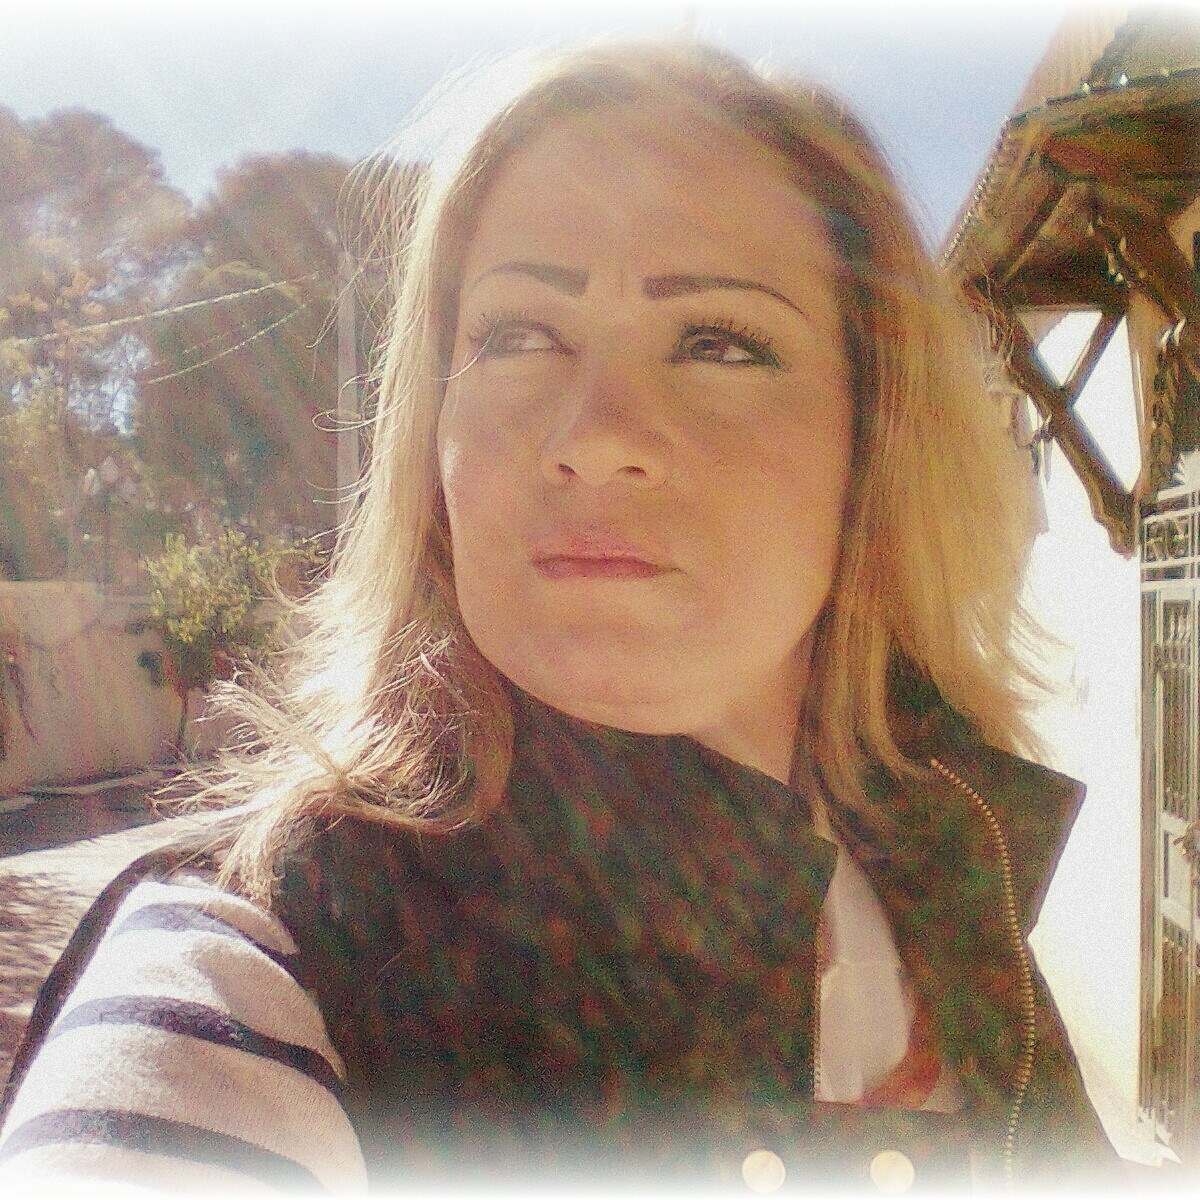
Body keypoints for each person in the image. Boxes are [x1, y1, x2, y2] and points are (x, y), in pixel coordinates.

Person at [0, 41, 1121, 1193]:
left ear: (874, 442)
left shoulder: (958, 873)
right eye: (517, 334)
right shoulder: (251, 970)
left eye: (719, 342)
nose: (594, 436)